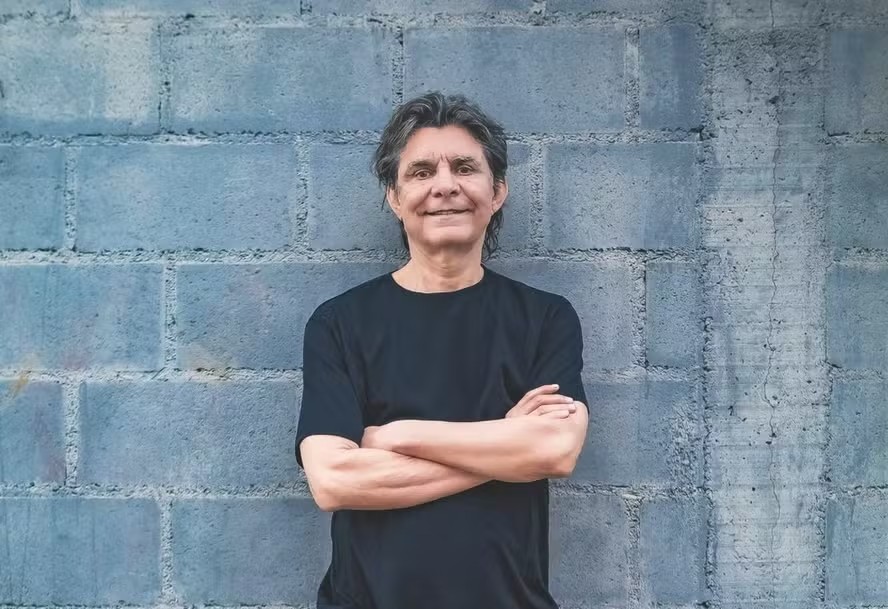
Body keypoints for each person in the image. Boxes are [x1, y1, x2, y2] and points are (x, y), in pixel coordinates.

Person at [294, 91, 589, 609]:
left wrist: (396, 435)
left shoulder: (545, 318)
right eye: (422, 171)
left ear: (497, 191)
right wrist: (505, 445)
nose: (445, 185)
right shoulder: (339, 324)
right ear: (394, 196)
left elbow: (554, 451)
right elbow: (334, 481)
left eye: (466, 168)